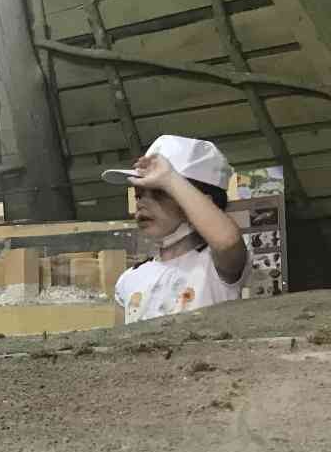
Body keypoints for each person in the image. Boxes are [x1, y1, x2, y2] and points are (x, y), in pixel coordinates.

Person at [102, 136, 247, 323]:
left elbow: (227, 242)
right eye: (139, 195)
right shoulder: (130, 279)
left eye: (160, 193)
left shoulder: (214, 266)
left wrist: (170, 178)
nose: (141, 204)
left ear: (203, 202)